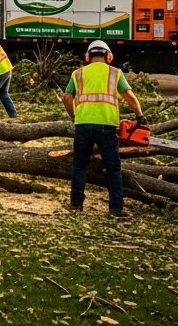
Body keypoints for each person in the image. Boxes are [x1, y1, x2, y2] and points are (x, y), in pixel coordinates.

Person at [61, 40, 144, 218]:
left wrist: (74, 116)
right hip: (107, 126)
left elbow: (67, 97)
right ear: (108, 56)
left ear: (88, 57)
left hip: (82, 125)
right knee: (113, 167)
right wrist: (140, 116)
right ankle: (116, 208)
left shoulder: (78, 73)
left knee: (80, 165)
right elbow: (129, 96)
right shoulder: (115, 73)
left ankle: (76, 204)